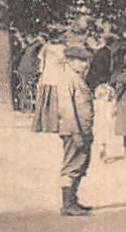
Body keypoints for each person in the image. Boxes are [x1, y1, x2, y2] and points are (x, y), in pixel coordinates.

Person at [33, 43, 96, 216]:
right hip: (73, 130)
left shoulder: (76, 78)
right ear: (69, 61)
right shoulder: (67, 79)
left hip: (82, 128)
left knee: (80, 164)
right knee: (72, 165)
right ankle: (67, 204)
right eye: (81, 61)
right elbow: (67, 108)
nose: (85, 64)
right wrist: (76, 133)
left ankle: (73, 200)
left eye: (86, 61)